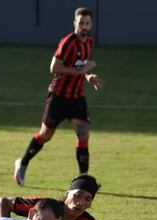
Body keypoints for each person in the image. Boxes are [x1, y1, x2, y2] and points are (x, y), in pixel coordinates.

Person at [13, 7, 104, 187]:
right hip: (59, 96)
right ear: (75, 23)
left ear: (91, 24)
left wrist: (88, 76)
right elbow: (54, 68)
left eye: (87, 23)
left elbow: (81, 66)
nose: (84, 26)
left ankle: (83, 178)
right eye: (81, 23)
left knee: (83, 133)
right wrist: (82, 71)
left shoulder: (89, 42)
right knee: (45, 135)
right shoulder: (68, 42)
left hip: (77, 96)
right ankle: (22, 163)